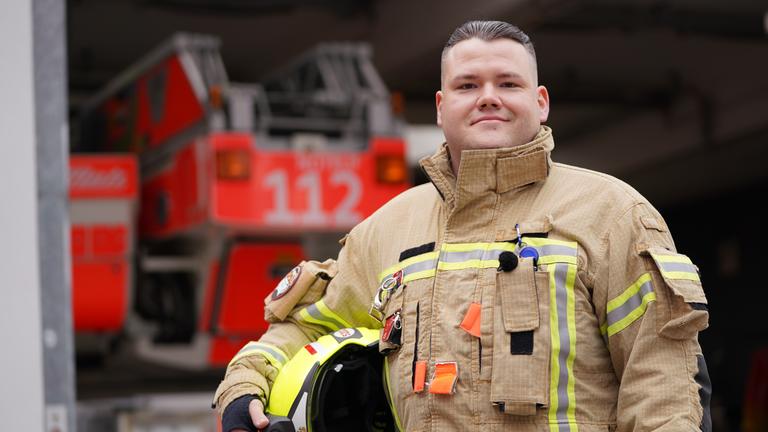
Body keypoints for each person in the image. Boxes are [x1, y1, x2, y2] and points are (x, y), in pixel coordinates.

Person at [213, 20, 712, 431]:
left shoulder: (612, 214)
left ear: (541, 102)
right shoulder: (388, 229)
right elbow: (307, 325)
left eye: (508, 83)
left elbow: (661, 388)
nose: (488, 97)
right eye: (468, 85)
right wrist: (244, 387)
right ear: (440, 106)